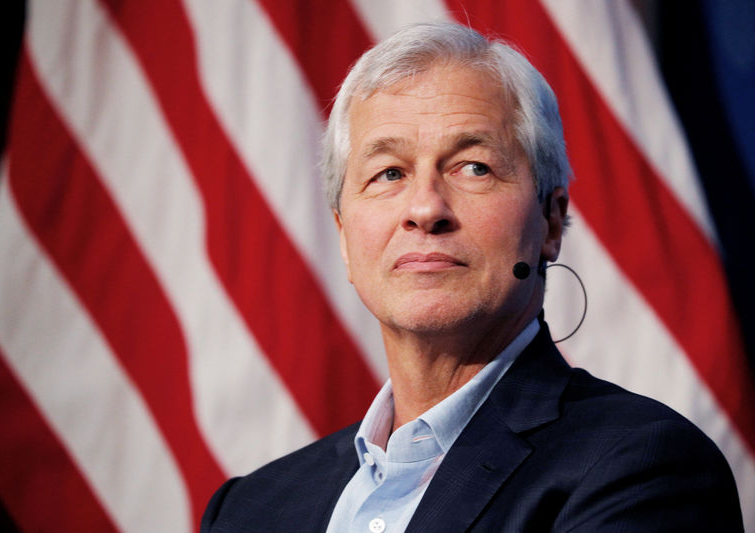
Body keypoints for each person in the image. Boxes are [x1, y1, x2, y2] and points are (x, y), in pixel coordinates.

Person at [201, 22, 743, 532]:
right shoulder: (249, 509)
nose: (425, 208)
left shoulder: (643, 468)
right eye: (389, 172)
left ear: (551, 221)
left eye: (474, 167)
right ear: (344, 236)